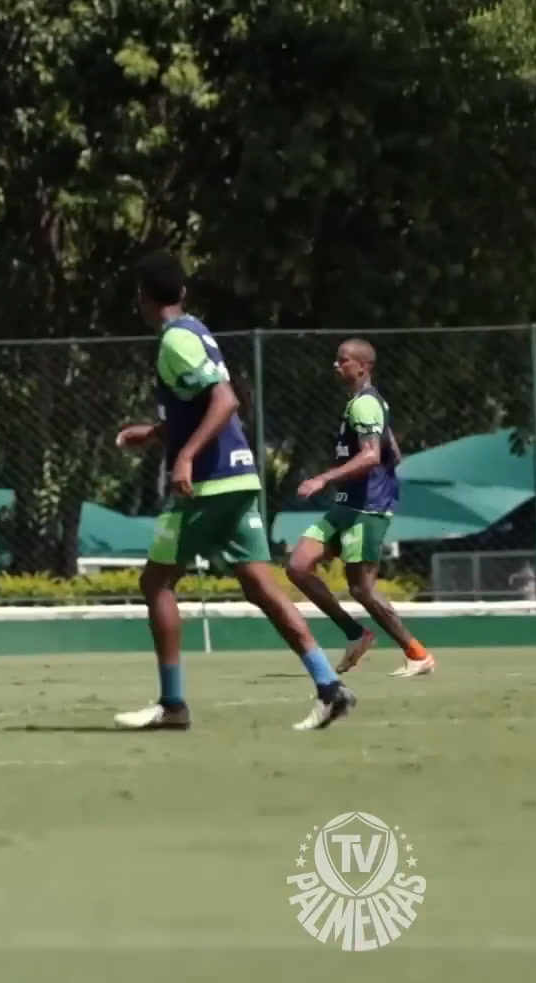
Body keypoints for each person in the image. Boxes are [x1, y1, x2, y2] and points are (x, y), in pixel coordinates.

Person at [113, 252, 355, 731]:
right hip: (241, 476)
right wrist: (158, 435)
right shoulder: (197, 331)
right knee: (261, 586)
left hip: (209, 483)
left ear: (141, 297)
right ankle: (330, 687)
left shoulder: (174, 342)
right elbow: (203, 404)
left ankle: (173, 703)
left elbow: (224, 401)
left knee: (156, 583)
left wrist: (183, 457)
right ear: (181, 293)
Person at [286, 338, 435, 678]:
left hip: (367, 508)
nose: (336, 366)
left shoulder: (365, 405)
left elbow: (372, 456)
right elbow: (392, 451)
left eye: (343, 361)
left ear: (362, 367)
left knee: (362, 589)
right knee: (297, 565)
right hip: (346, 505)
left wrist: (323, 478)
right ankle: (356, 634)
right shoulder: (363, 404)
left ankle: (417, 653)